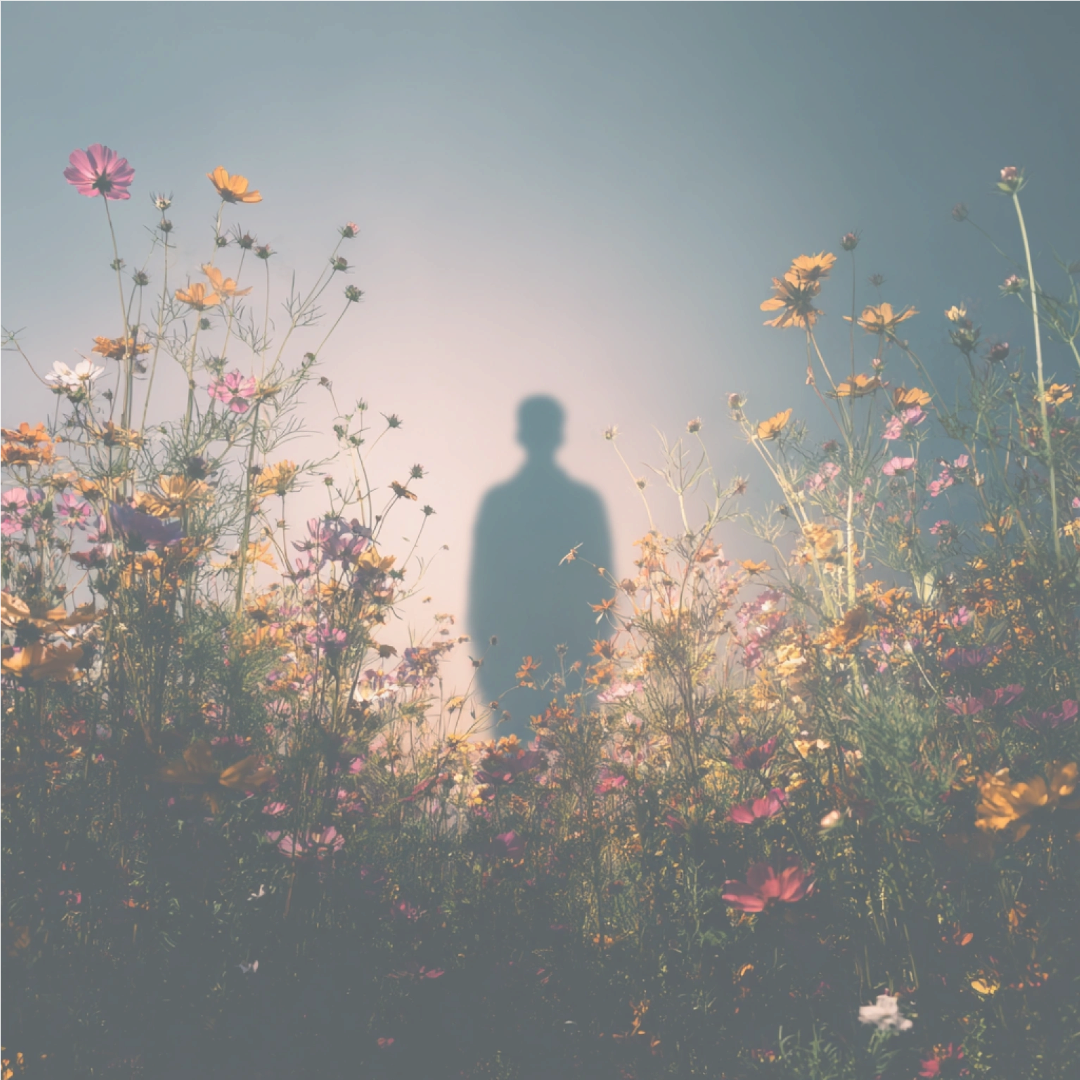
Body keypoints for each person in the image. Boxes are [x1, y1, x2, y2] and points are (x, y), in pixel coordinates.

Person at [468, 395, 612, 742]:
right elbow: (482, 591)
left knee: (522, 774)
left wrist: (489, 668)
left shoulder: (501, 502)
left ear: (522, 435)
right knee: (555, 774)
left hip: (549, 660)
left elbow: (603, 589)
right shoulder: (581, 502)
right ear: (559, 436)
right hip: (541, 661)